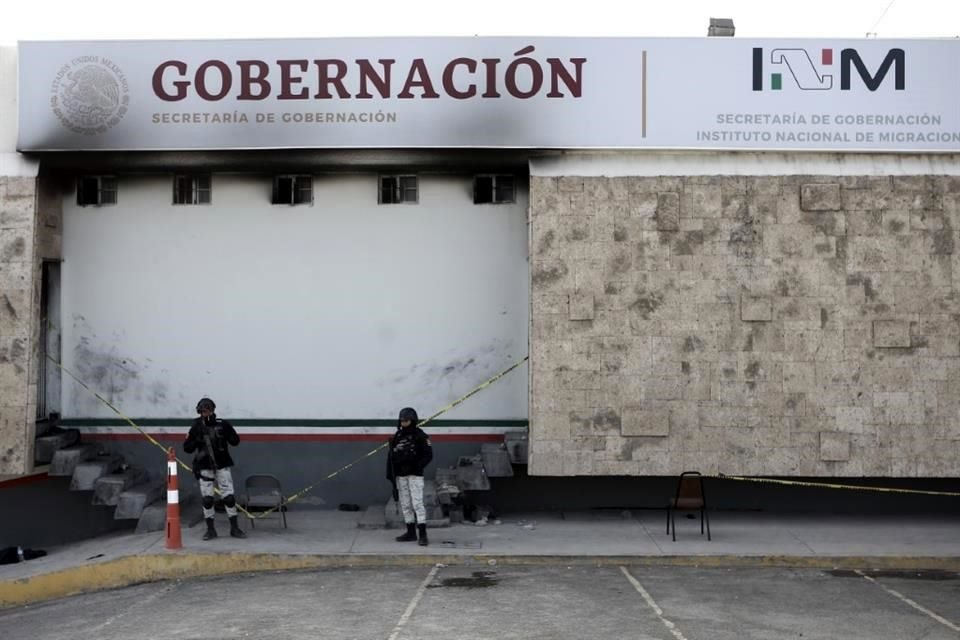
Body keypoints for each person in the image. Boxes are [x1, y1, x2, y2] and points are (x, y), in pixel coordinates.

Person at [183, 397, 246, 540]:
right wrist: (195, 439)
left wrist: (227, 434)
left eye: (208, 410)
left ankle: (234, 528)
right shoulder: (196, 426)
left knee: (229, 498)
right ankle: (210, 530)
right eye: (203, 411)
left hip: (222, 464)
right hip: (204, 466)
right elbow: (187, 448)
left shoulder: (222, 424)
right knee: (207, 499)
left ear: (212, 410)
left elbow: (235, 441)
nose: (206, 413)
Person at [386, 407, 433, 546]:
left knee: (417, 504)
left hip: (415, 475)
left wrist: (417, 467)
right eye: (401, 420)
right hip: (401, 475)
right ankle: (411, 532)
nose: (403, 422)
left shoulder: (420, 435)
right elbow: (392, 456)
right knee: (405, 504)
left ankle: (423, 535)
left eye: (406, 420)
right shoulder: (398, 435)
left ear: (412, 420)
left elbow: (428, 455)